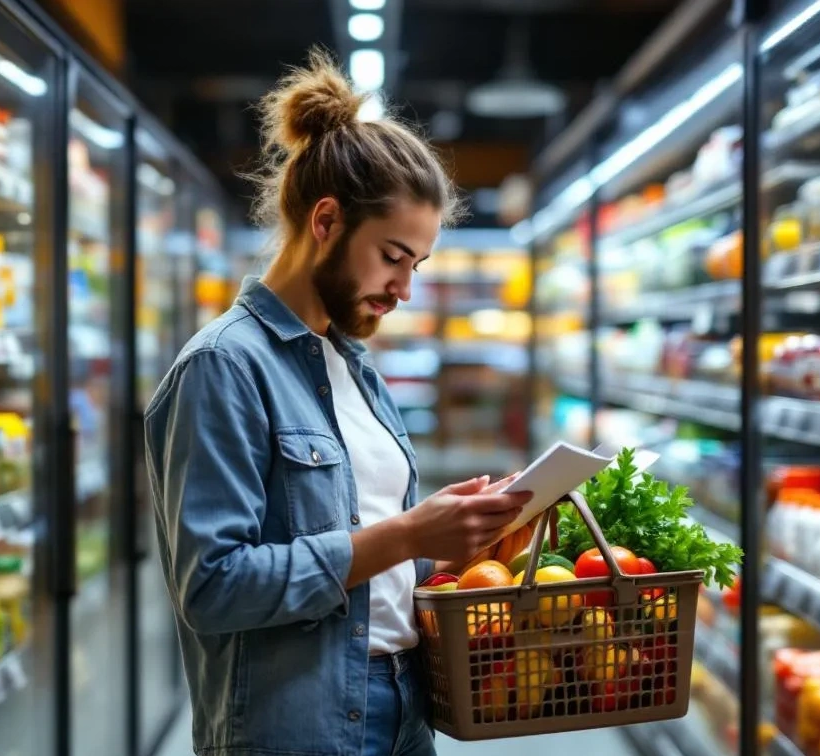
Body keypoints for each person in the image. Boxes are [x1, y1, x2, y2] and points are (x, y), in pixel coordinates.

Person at [143, 48, 534, 756]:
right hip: (299, 729)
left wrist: (461, 534)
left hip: (404, 712)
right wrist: (409, 534)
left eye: (417, 264)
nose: (403, 288)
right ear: (326, 222)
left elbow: (367, 555)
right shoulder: (223, 367)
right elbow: (213, 588)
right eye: (392, 256)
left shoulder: (355, 366)